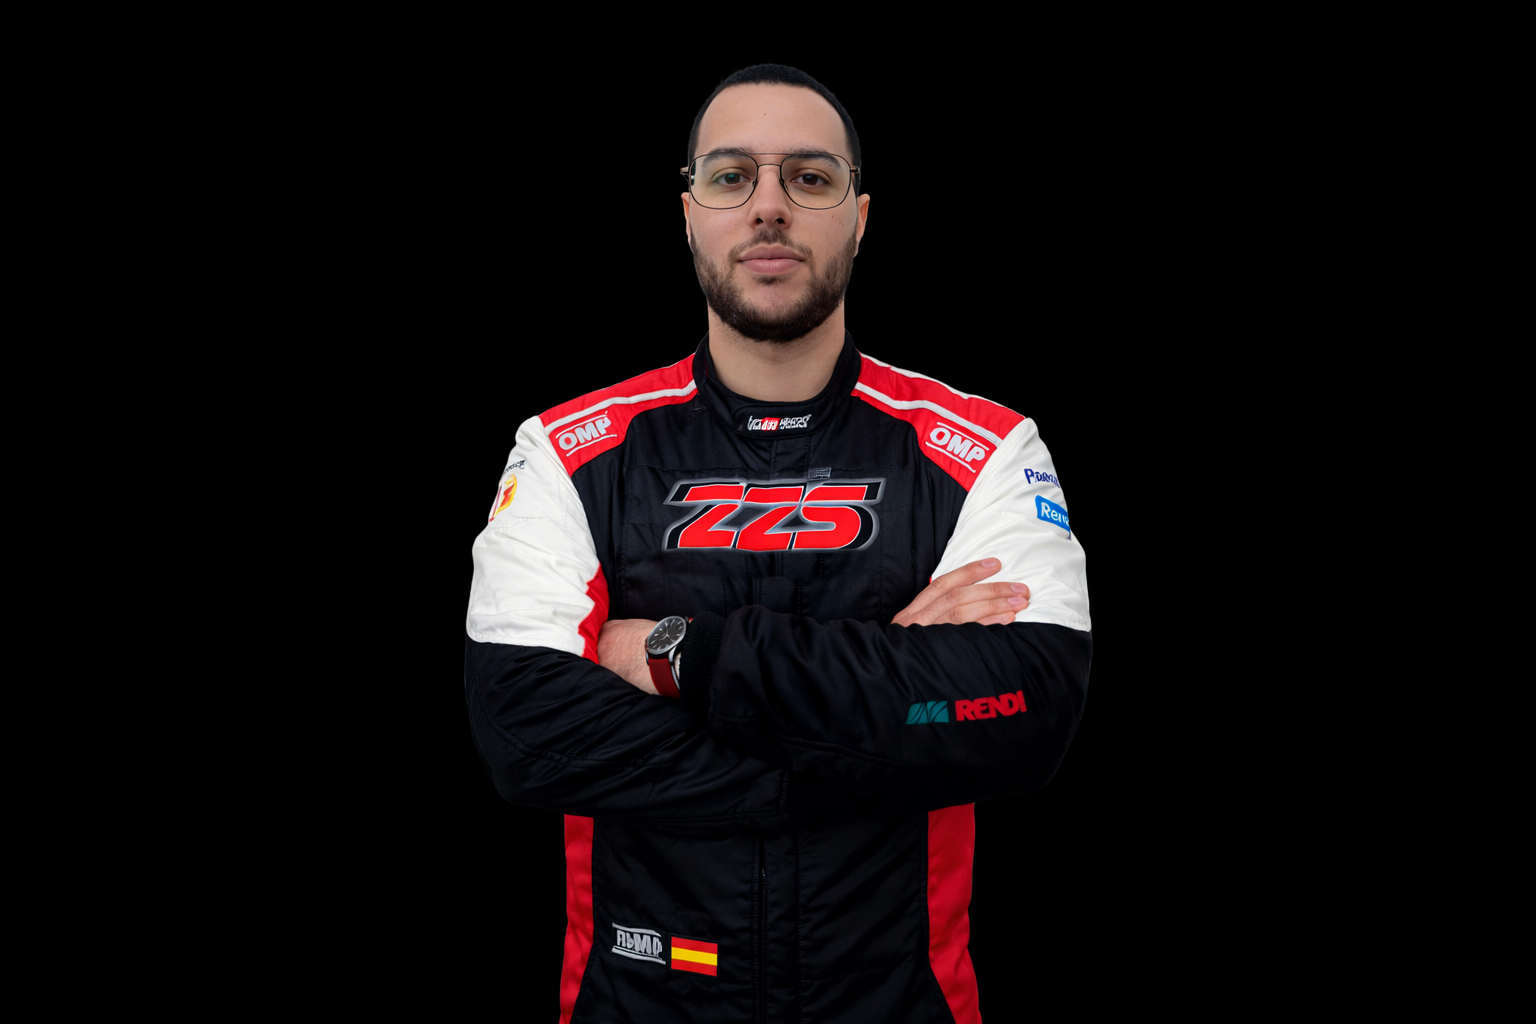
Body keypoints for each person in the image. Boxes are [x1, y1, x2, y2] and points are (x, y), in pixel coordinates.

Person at [465, 64, 1091, 1024]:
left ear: (860, 218)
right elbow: (526, 737)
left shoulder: (988, 448)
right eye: (730, 177)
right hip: (638, 999)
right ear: (688, 215)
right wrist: (886, 721)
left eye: (809, 177)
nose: (769, 206)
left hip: (901, 1004)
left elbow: (1024, 713)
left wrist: (681, 654)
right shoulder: (566, 450)